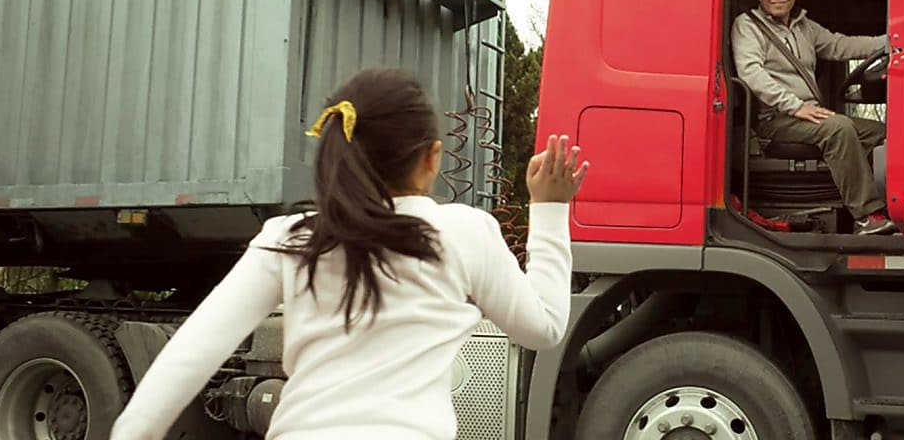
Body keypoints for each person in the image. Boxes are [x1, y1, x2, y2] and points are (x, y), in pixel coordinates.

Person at [110, 68, 588, 440]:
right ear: (432, 159)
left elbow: (193, 350)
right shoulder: (464, 232)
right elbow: (544, 327)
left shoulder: (291, 237)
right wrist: (548, 210)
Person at [731, 0, 895, 235]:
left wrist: (891, 41)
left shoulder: (804, 26)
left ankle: (896, 209)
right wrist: (795, 107)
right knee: (839, 128)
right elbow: (751, 74)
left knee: (884, 133)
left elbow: (841, 45)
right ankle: (868, 216)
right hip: (775, 118)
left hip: (808, 115)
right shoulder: (748, 26)